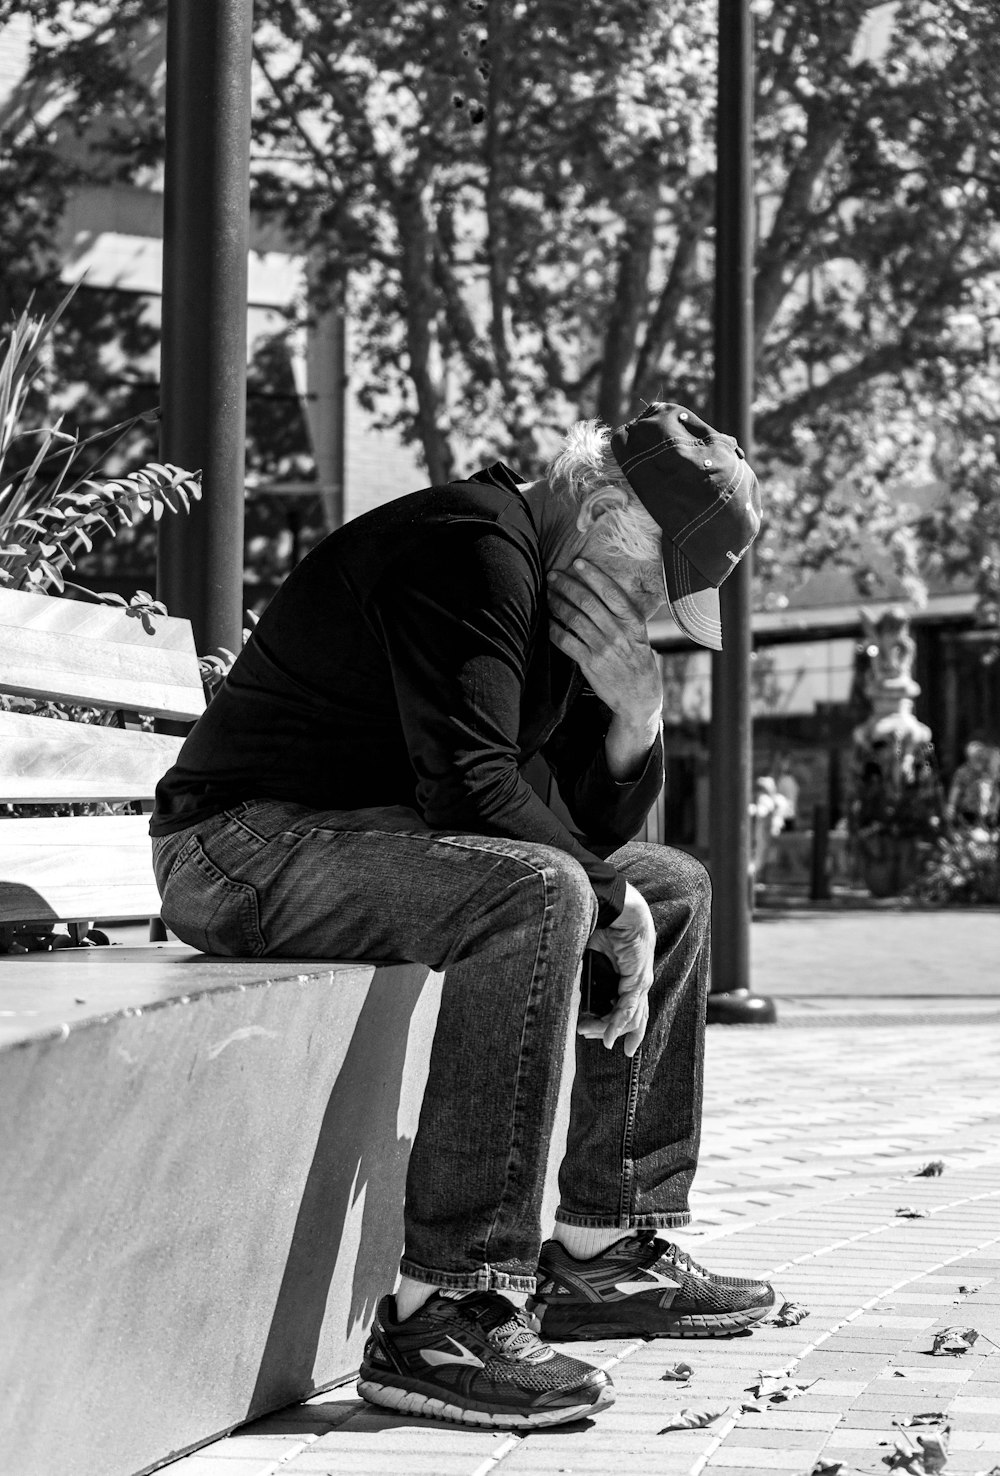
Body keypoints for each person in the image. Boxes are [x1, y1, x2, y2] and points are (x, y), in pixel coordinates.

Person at [150, 402, 773, 1432]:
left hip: (351, 843)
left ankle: (602, 1250)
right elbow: (474, 793)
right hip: (238, 850)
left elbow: (572, 821)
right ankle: (446, 1310)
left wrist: (635, 716)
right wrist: (604, 900)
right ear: (608, 517)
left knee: (671, 886)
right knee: (544, 892)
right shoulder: (473, 550)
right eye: (658, 580)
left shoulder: (550, 588)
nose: (652, 610)